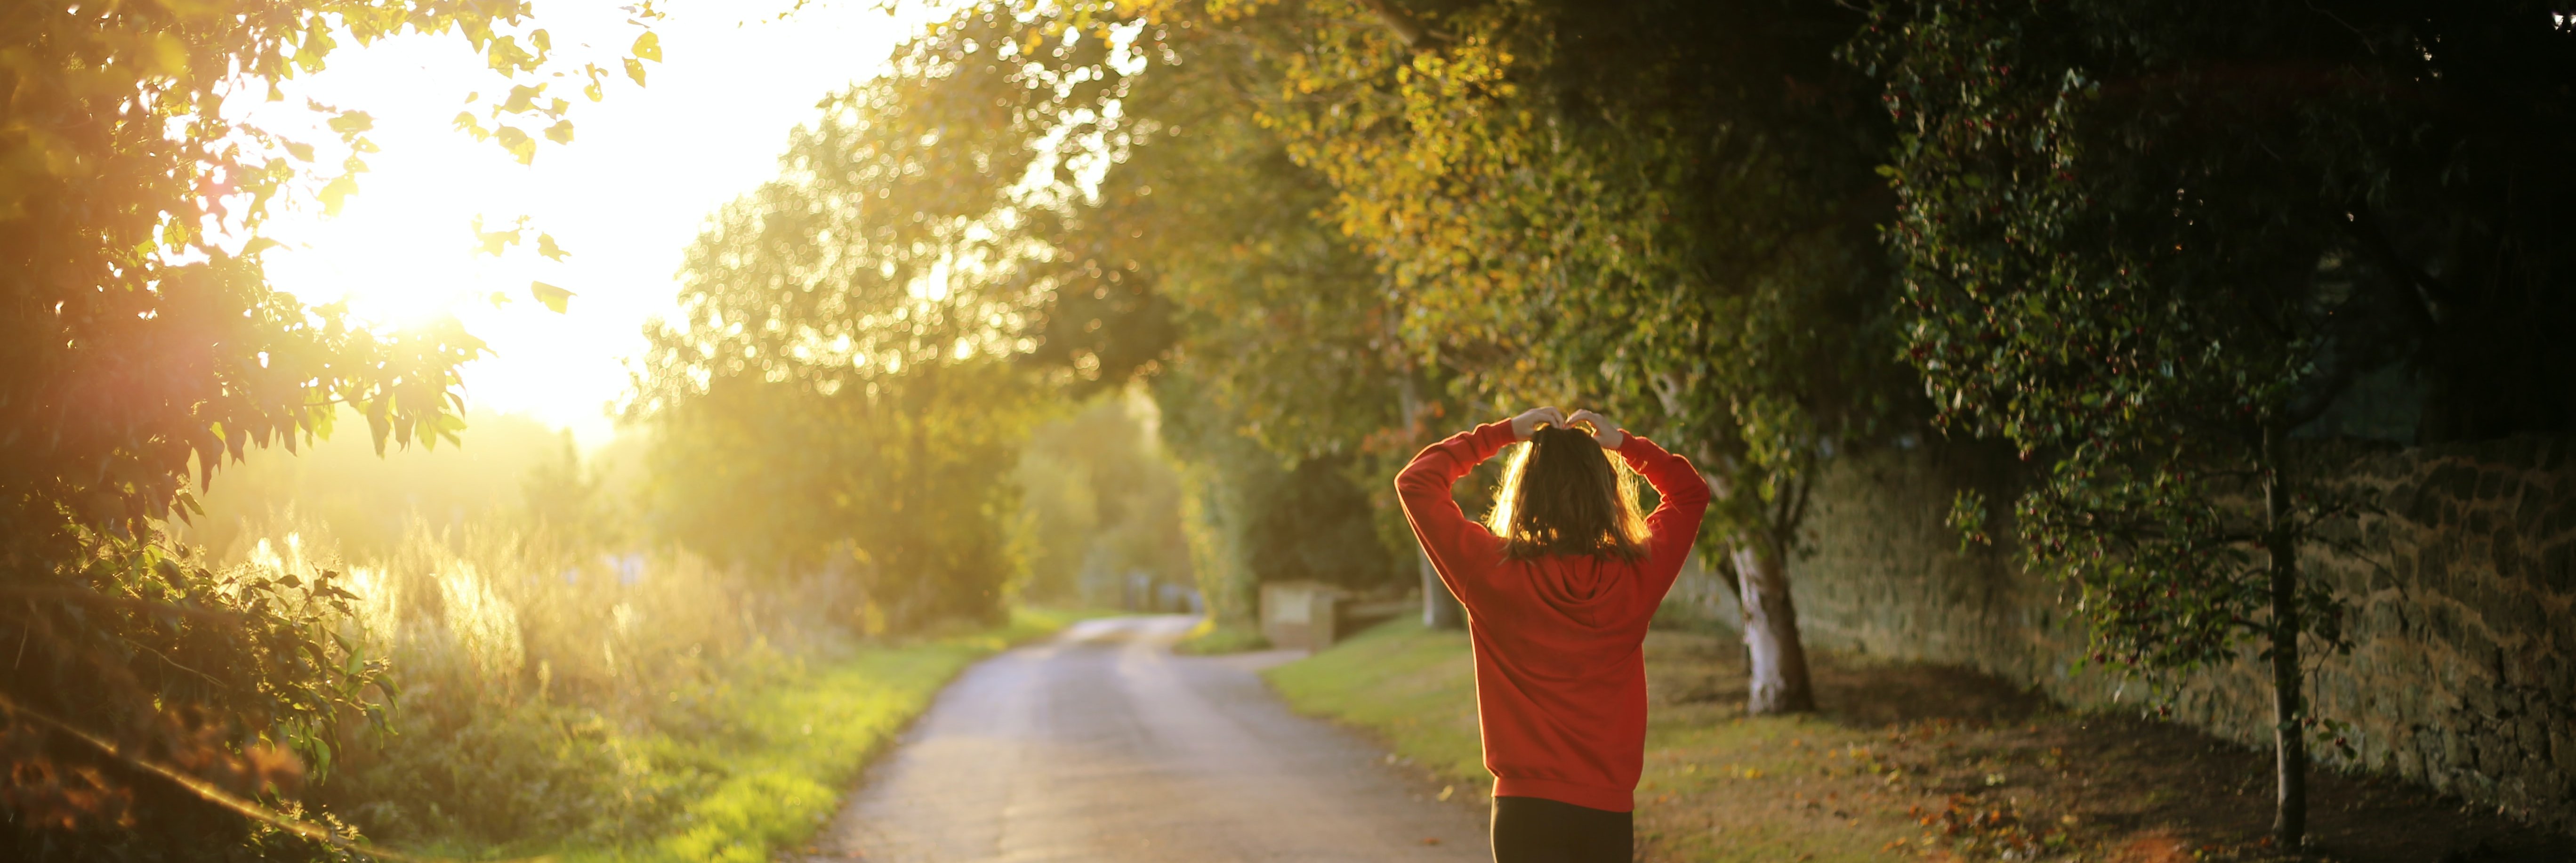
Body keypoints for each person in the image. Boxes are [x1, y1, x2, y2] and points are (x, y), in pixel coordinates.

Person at [1395, 406, 1710, 863]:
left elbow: (1417, 482)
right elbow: (1689, 494)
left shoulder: (1491, 571)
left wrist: (1502, 434)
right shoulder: (1636, 575)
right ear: (1606, 494)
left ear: (1525, 493)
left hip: (1524, 810)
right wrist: (1624, 444)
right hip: (1607, 811)